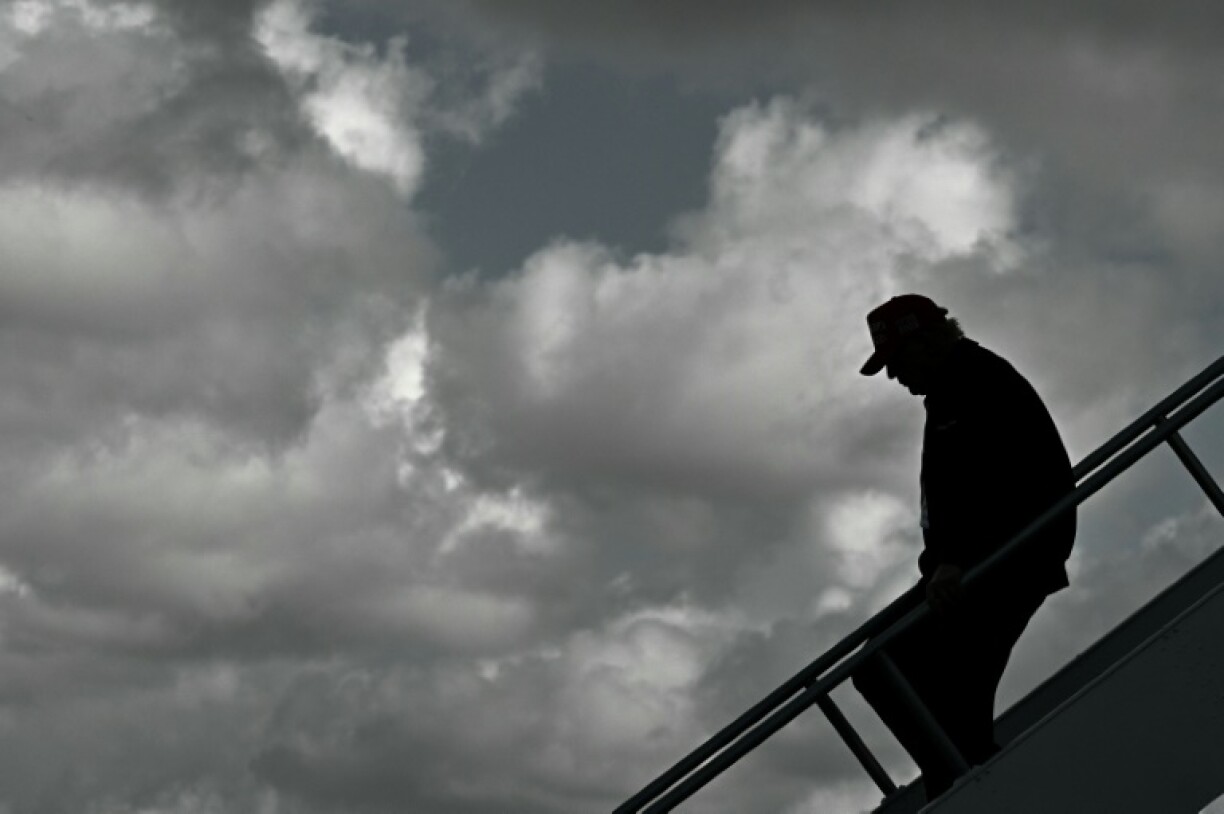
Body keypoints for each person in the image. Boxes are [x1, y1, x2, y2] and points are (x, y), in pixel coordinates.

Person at [850, 294, 1077, 802]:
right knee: (943, 687)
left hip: (1001, 561)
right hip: (995, 559)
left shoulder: (971, 382)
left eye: (896, 362)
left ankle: (959, 781)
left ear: (927, 342)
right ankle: (962, 775)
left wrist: (952, 561)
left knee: (883, 667)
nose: (894, 379)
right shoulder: (960, 384)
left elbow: (984, 483)